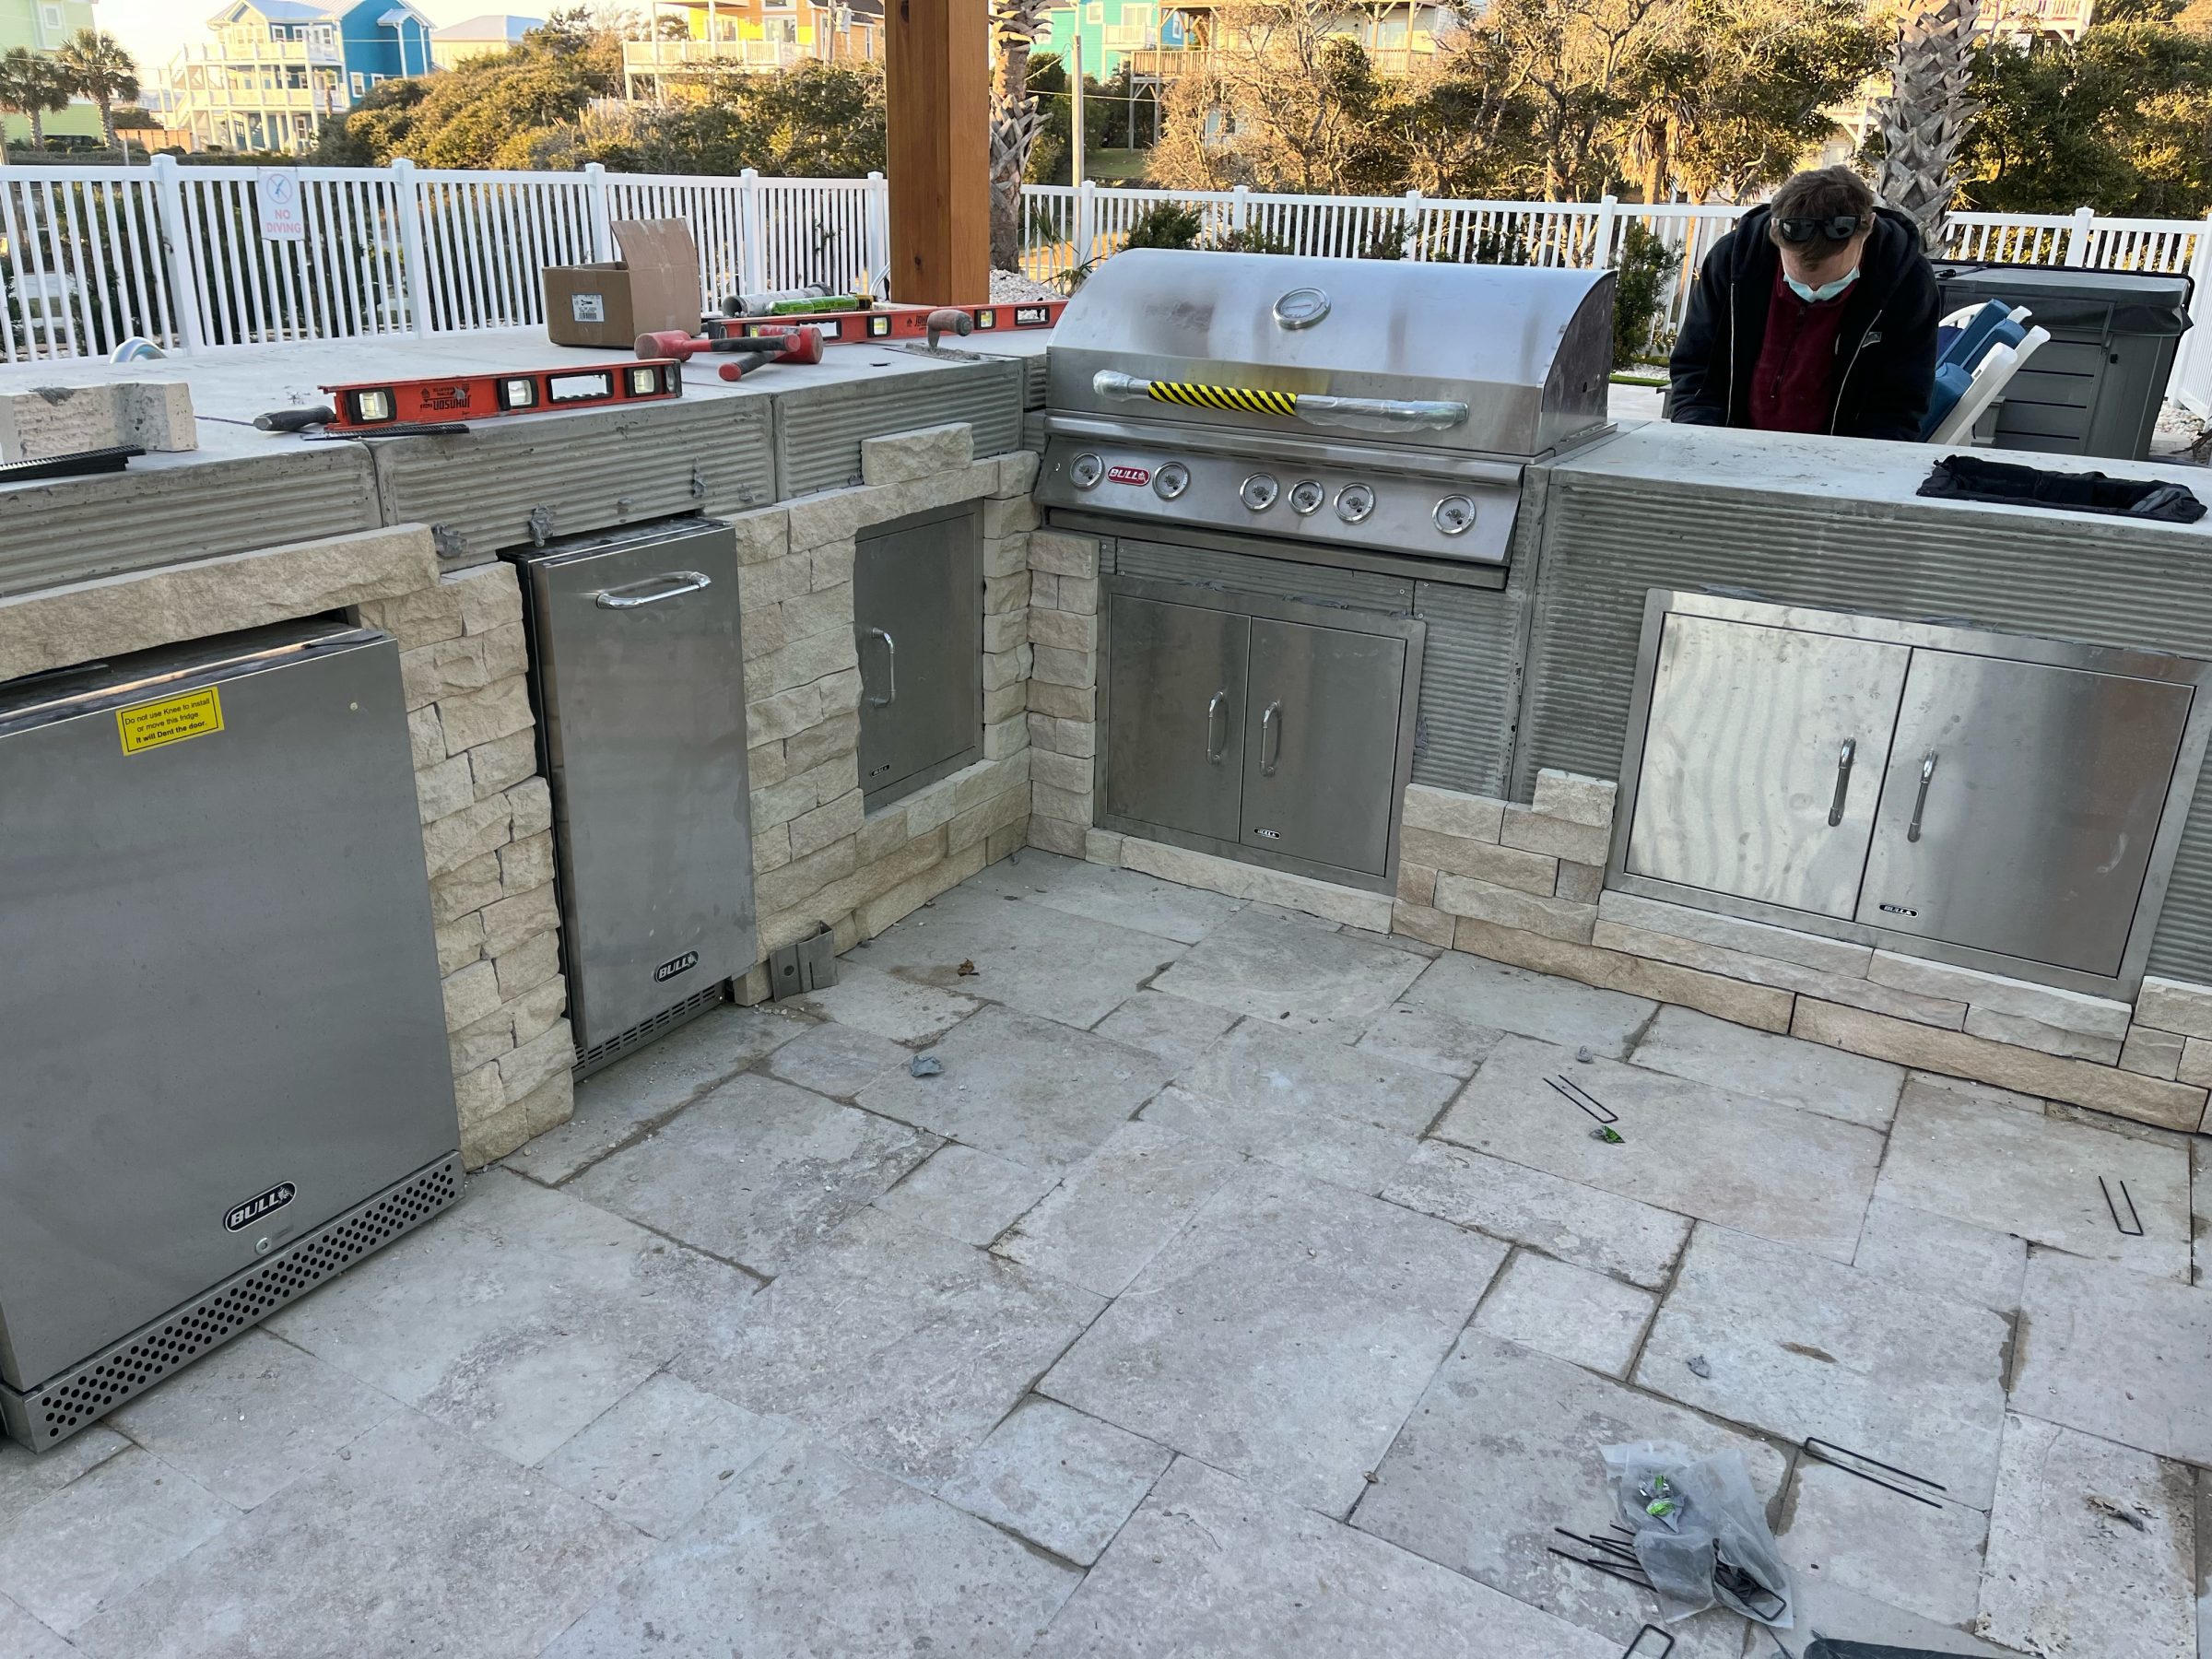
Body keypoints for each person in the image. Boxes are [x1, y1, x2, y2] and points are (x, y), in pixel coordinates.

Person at [1667, 167, 1939, 441]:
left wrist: (1859, 467)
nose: (1814, 291)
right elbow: (1696, 368)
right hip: (1726, 444)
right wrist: (1699, 439)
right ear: (1775, 230)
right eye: (1797, 281)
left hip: (1843, 458)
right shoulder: (1732, 263)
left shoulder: (1908, 283)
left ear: (1867, 227)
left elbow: (1901, 403)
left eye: (1833, 283)